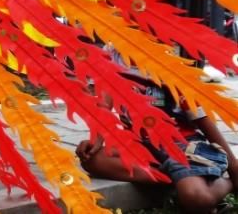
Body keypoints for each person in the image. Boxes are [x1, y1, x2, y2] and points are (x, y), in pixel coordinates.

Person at [77, 72, 238, 214]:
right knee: (92, 159)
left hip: (181, 145)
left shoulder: (167, 64)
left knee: (197, 199)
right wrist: (95, 139)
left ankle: (225, 183)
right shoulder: (112, 58)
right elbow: (104, 106)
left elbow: (202, 119)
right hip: (139, 145)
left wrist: (233, 167)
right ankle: (177, 177)